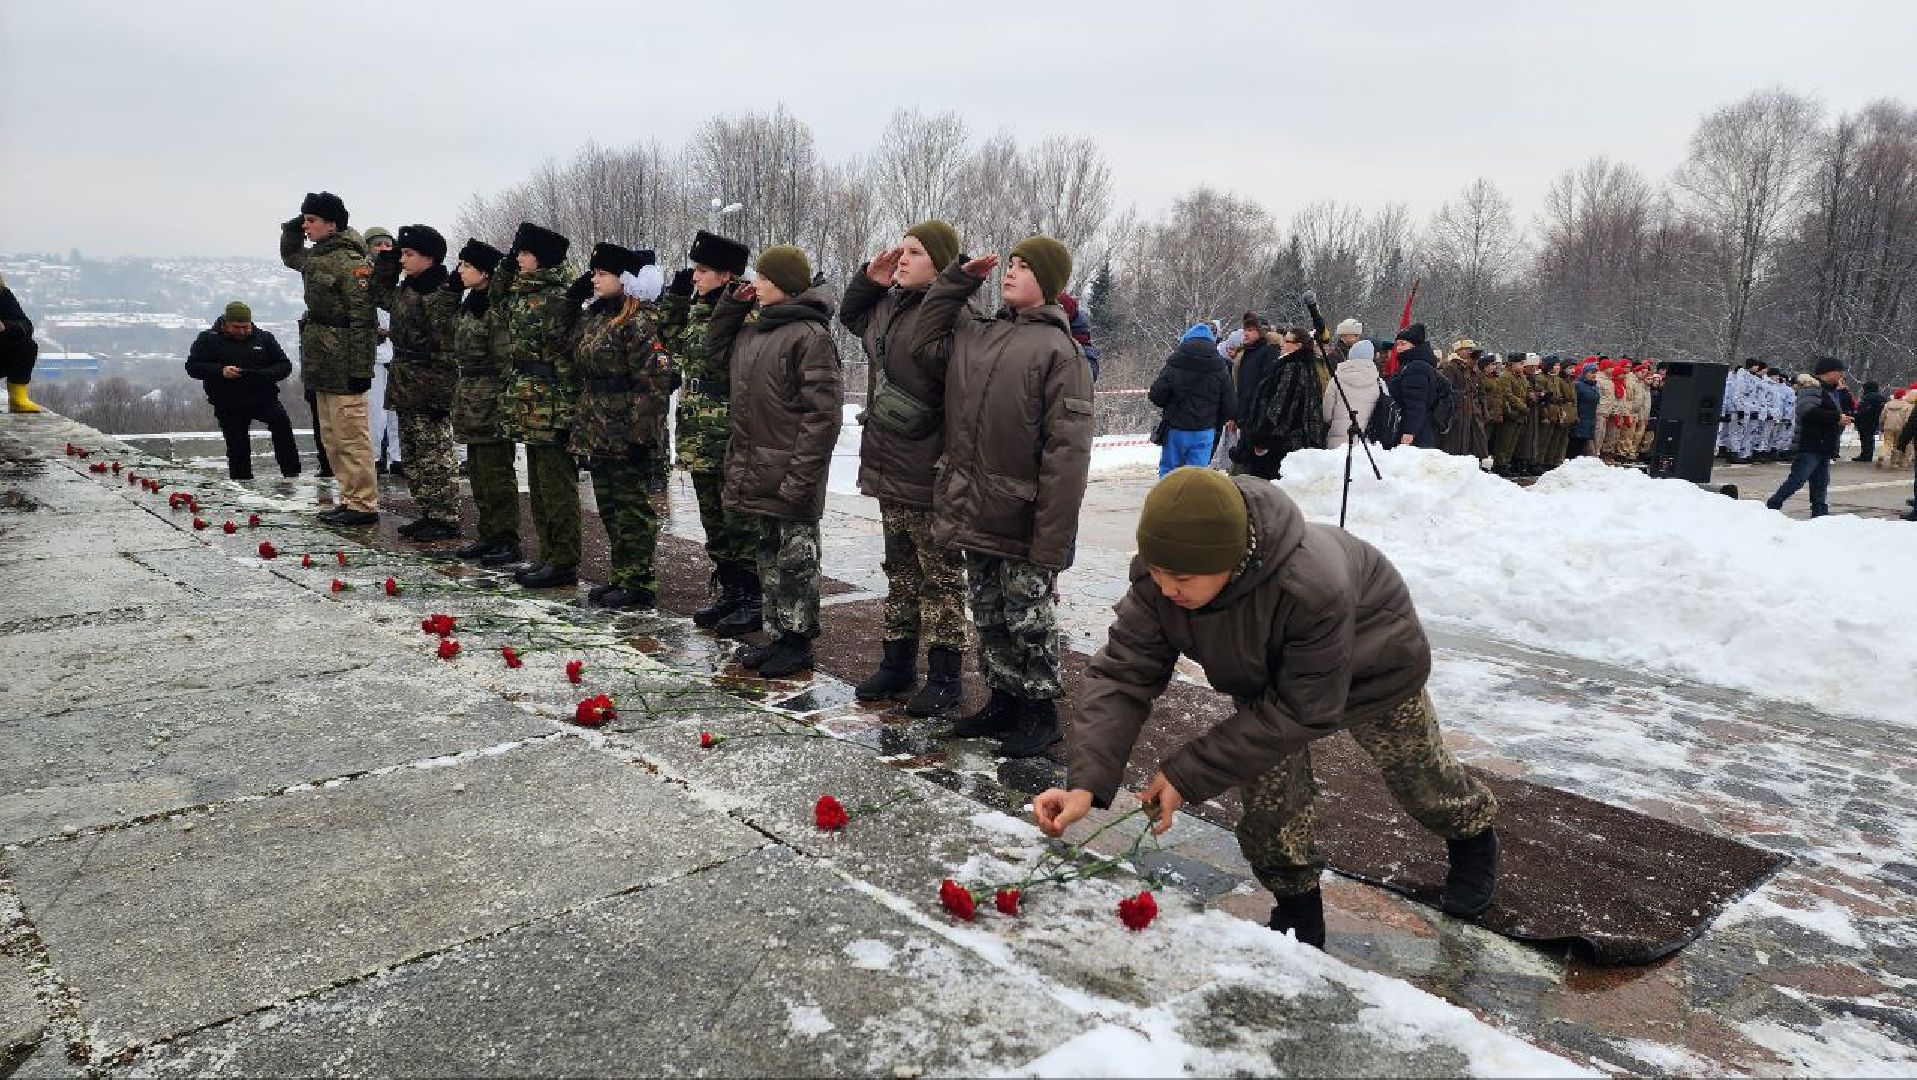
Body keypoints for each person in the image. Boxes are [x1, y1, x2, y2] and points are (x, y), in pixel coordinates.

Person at [1035, 468, 1501, 948]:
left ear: (1230, 560)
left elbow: (1303, 710)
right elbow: (1122, 675)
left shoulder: (1312, 586)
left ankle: (1471, 833)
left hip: (1373, 666)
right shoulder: (1162, 582)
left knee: (1419, 775)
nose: (1167, 588)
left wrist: (1186, 774)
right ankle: (1297, 904)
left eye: (1182, 578)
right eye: (1156, 572)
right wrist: (1086, 783)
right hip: (1266, 677)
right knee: (1268, 799)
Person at [909, 236, 1093, 759]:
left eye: (1024, 266)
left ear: (1049, 282)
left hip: (1023, 513)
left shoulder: (1061, 352)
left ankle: (1040, 711)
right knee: (988, 611)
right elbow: (925, 337)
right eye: (1010, 264)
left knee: (1028, 616)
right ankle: (1004, 698)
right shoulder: (979, 333)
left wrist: (1051, 539)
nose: (1010, 272)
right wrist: (959, 280)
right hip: (975, 504)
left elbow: (1068, 455)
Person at [839, 220, 971, 715]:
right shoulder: (889, 307)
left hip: (929, 467)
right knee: (900, 571)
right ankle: (897, 663)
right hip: (890, 462)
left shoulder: (954, 316)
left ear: (940, 264)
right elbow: (852, 317)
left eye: (914, 252)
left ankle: (945, 677)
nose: (902, 259)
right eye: (902, 250)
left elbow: (959, 391)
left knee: (941, 578)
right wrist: (869, 280)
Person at [710, 245, 843, 679]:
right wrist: (732, 306)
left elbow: (823, 416)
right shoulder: (754, 330)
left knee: (797, 560)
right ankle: (778, 634)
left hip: (791, 470)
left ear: (785, 284)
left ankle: (798, 642)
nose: (756, 284)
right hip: (757, 465)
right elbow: (714, 353)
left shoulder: (810, 336)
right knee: (768, 556)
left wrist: (801, 477)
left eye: (765, 278)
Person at [660, 230, 764, 637]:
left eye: (703, 270)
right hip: (698, 430)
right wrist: (675, 298)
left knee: (739, 518)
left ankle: (754, 597)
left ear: (726, 275)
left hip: (727, 427)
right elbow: (670, 340)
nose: (695, 276)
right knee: (713, 518)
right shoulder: (696, 308)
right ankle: (731, 590)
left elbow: (726, 360)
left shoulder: (745, 312)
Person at [568, 243, 671, 610]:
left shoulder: (641, 320)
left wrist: (642, 436)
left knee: (632, 508)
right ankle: (622, 575)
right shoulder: (598, 315)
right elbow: (569, 349)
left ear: (625, 279)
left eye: (602, 274)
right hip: (598, 426)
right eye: (594, 273)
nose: (594, 280)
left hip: (626, 428)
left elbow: (653, 384)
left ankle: (639, 582)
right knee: (610, 506)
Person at [493, 221, 583, 588]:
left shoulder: (559, 296)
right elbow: (496, 299)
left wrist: (567, 412)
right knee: (538, 486)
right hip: (527, 399)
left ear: (543, 258)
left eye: (525, 252)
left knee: (557, 487)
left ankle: (563, 559)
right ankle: (548, 554)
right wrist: (505, 265)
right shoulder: (521, 291)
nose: (518, 258)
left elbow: (568, 358)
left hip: (552, 402)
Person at [281, 191, 379, 526]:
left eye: (311, 220)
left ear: (332, 225)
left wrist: (361, 368)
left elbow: (364, 320)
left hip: (344, 360)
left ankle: (363, 503)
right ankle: (349, 498)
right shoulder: (318, 255)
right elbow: (291, 255)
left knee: (351, 436)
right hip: (321, 359)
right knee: (332, 438)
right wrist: (291, 228)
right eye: (304, 220)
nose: (306, 226)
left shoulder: (351, 263)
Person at [369, 224, 461, 541]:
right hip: (405, 380)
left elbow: (447, 351)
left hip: (429, 383)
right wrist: (388, 261)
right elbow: (378, 292)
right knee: (413, 453)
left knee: (435, 454)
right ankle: (428, 511)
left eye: (409, 254)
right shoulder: (407, 288)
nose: (403, 259)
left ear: (429, 258)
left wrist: (441, 396)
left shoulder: (441, 293)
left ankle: (445, 517)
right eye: (402, 253)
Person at [445, 239, 522, 566]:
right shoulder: (470, 304)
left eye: (466, 265)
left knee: (496, 473)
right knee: (478, 472)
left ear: (485, 272)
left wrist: (503, 401)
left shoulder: (495, 309)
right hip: (470, 395)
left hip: (491, 398)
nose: (459, 271)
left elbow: (505, 360)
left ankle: (506, 538)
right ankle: (488, 533)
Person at [184, 301, 300, 479]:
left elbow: (284, 365)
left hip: (263, 398)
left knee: (282, 427)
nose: (241, 331)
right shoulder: (208, 339)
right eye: (236, 327)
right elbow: (193, 366)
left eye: (245, 327)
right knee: (237, 445)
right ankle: (242, 481)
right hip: (227, 402)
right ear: (225, 324)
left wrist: (263, 374)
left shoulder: (265, 338)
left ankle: (291, 473)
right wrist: (220, 371)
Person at [1235, 327, 1328, 479]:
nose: (1282, 344)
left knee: (1268, 484)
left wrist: (1263, 438)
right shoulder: (1307, 366)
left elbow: (1281, 406)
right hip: (1295, 440)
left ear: (1298, 346)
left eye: (1287, 341)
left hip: (1281, 443)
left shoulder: (1293, 367)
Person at [1765, 359, 1851, 518]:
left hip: (1824, 445)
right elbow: (1807, 411)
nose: (1841, 375)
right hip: (1810, 443)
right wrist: (1836, 417)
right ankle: (1773, 505)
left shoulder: (1829, 391)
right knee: (1798, 479)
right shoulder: (1813, 388)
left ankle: (1820, 513)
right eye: (1839, 371)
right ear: (1829, 372)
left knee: (1820, 483)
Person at [1150, 324, 1234, 476]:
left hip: (1176, 430)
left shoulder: (1175, 363)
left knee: (1169, 473)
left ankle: (1168, 492)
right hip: (1204, 431)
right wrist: (1214, 422)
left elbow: (1156, 396)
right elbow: (1229, 406)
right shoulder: (1220, 367)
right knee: (1197, 476)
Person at [362, 226, 404, 477]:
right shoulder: (361, 274)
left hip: (397, 352)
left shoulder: (400, 276)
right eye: (378, 245)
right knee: (374, 412)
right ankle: (375, 457)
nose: (383, 249)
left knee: (397, 412)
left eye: (388, 245)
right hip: (374, 355)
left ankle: (398, 457)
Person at [1389, 323, 1444, 450]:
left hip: (1415, 433)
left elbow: (1415, 402)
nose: (1398, 348)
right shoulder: (1414, 365)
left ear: (1414, 345)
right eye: (1398, 344)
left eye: (1403, 344)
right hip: (1422, 428)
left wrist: (1409, 431)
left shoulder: (1415, 368)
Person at [1323, 339, 1380, 449]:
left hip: (1338, 443)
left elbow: (1326, 415)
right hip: (1368, 444)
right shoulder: (1379, 383)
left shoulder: (1336, 380)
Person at [1, 271, 43, 413]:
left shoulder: (3, 294)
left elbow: (26, 326)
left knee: (26, 346)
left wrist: (5, 326)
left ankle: (18, 399)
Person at [1438, 339, 1486, 461]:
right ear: (1458, 350)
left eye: (1470, 349)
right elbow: (1446, 390)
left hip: (1466, 411)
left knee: (1465, 442)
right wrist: (1463, 395)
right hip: (1456, 411)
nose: (1470, 352)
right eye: (1467, 349)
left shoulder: (1465, 367)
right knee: (1454, 443)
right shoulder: (1450, 367)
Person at [1877, 386, 1913, 473]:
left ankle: (1882, 454)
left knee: (1887, 443)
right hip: (1900, 427)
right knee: (1897, 445)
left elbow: (1882, 416)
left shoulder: (1888, 404)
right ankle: (1894, 462)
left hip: (1888, 427)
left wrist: (1882, 424)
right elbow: (1908, 418)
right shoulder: (1907, 405)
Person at [1571, 360, 1601, 457]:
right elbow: (1575, 402)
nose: (1594, 375)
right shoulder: (1578, 385)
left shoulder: (1594, 387)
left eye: (1595, 373)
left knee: (1586, 441)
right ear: (1585, 373)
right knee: (1577, 442)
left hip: (1590, 418)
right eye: (1591, 372)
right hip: (1581, 418)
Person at [1852, 381, 1886, 463]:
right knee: (1870, 438)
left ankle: (1865, 455)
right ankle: (1868, 454)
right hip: (1875, 420)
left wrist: (1856, 417)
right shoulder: (1882, 398)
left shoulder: (1867, 397)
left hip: (1865, 421)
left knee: (1865, 438)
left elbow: (1862, 410)